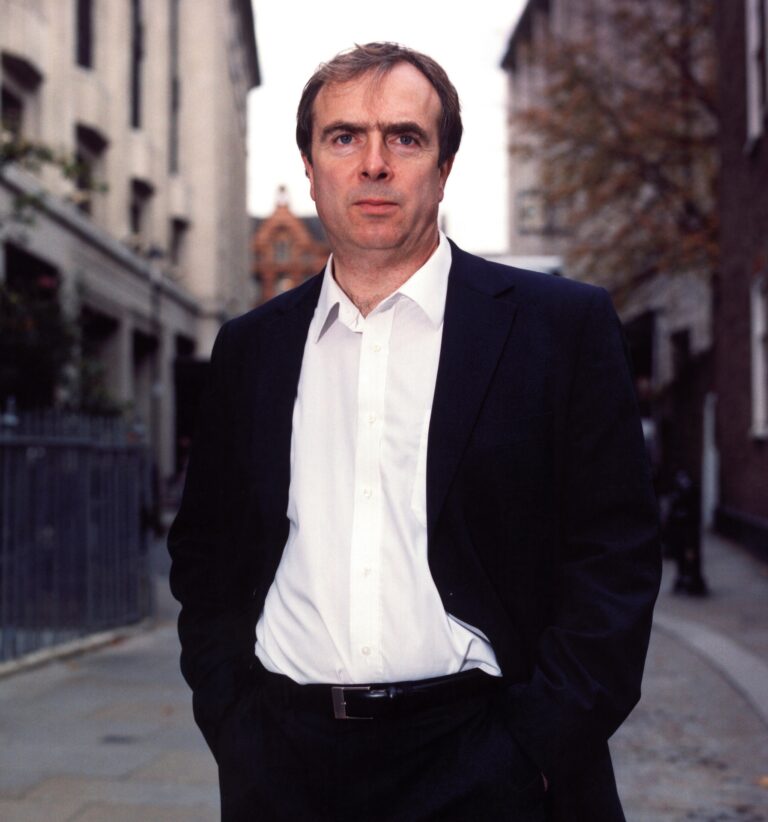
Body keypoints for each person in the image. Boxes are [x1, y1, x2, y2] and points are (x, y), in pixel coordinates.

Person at [168, 42, 661, 822]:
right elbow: (208, 556)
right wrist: (235, 722)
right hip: (285, 766)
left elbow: (616, 558)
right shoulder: (249, 349)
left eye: (404, 137)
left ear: (444, 166)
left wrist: (534, 751)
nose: (374, 164)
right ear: (310, 167)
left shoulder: (559, 328)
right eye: (344, 137)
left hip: (485, 762)